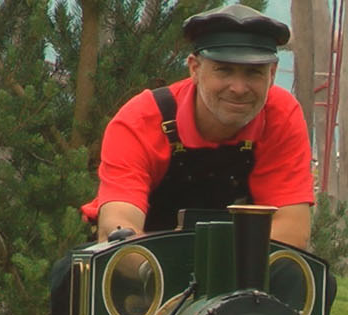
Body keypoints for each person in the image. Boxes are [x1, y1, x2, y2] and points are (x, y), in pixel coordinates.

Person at [80, 2, 314, 244]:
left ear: (272, 73)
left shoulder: (280, 116)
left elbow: (292, 233)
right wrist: (169, 274)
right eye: (224, 70)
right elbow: (118, 229)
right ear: (194, 68)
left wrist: (216, 270)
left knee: (302, 277)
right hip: (147, 262)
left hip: (244, 269)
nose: (239, 88)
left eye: (254, 72)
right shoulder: (141, 120)